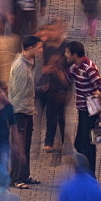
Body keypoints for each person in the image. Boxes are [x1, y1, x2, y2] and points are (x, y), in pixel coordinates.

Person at [64, 41, 101, 176]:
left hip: (91, 111)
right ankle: (85, 171)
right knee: (80, 143)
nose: (65, 55)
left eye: (67, 52)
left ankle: (90, 174)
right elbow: (65, 79)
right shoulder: (75, 67)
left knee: (88, 144)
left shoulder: (89, 68)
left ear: (75, 54)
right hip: (82, 110)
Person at [9, 35, 42, 189]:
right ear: (30, 48)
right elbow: (21, 92)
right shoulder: (20, 66)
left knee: (26, 144)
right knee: (18, 146)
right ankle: (15, 178)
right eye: (39, 47)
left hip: (27, 110)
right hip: (19, 111)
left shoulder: (29, 63)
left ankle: (24, 174)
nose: (41, 50)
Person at [38, 23, 71, 152]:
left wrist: (59, 70)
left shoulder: (66, 47)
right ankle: (49, 141)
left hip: (61, 86)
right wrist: (45, 70)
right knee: (50, 114)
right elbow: (39, 66)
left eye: (54, 30)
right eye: (50, 30)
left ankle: (61, 140)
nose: (52, 33)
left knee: (60, 115)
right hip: (47, 86)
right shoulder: (45, 47)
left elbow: (70, 69)